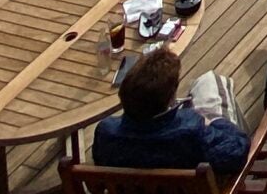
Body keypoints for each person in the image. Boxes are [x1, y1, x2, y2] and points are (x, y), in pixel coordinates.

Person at [90, 45, 249, 173]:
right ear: (169, 98)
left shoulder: (105, 133)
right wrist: (214, 122)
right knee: (211, 82)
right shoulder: (192, 132)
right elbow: (238, 148)